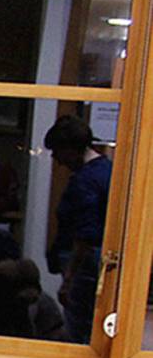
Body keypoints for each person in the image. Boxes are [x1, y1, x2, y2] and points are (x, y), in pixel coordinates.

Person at [44, 115, 113, 344]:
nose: (57, 159)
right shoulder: (106, 171)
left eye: (58, 152)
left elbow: (85, 234)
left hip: (83, 264)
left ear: (71, 149)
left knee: (78, 328)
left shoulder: (85, 181)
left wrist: (69, 278)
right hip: (92, 260)